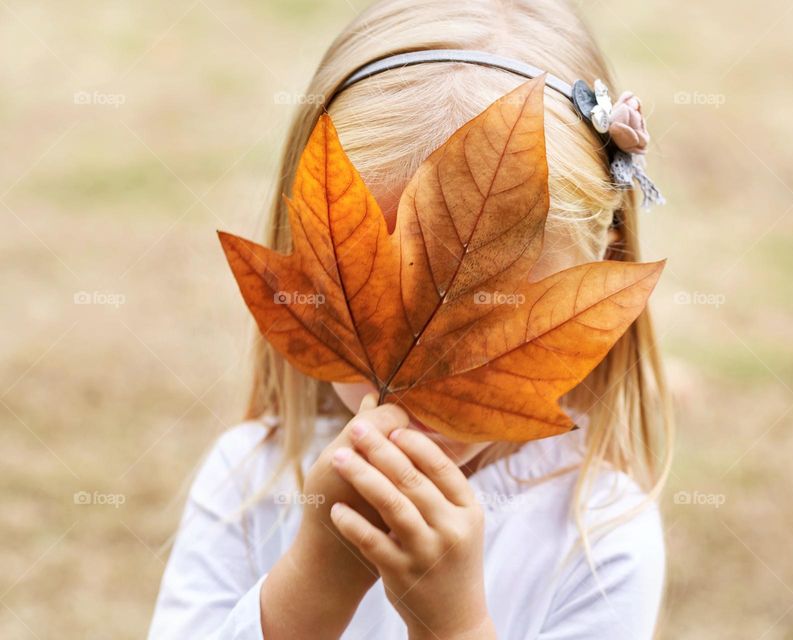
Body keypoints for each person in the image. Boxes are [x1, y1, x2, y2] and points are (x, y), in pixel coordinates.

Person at [149, 0, 672, 637]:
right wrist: (314, 583)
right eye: (378, 302)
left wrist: (453, 626)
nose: (417, 380)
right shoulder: (249, 479)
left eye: (485, 321)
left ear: (601, 274)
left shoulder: (602, 534)